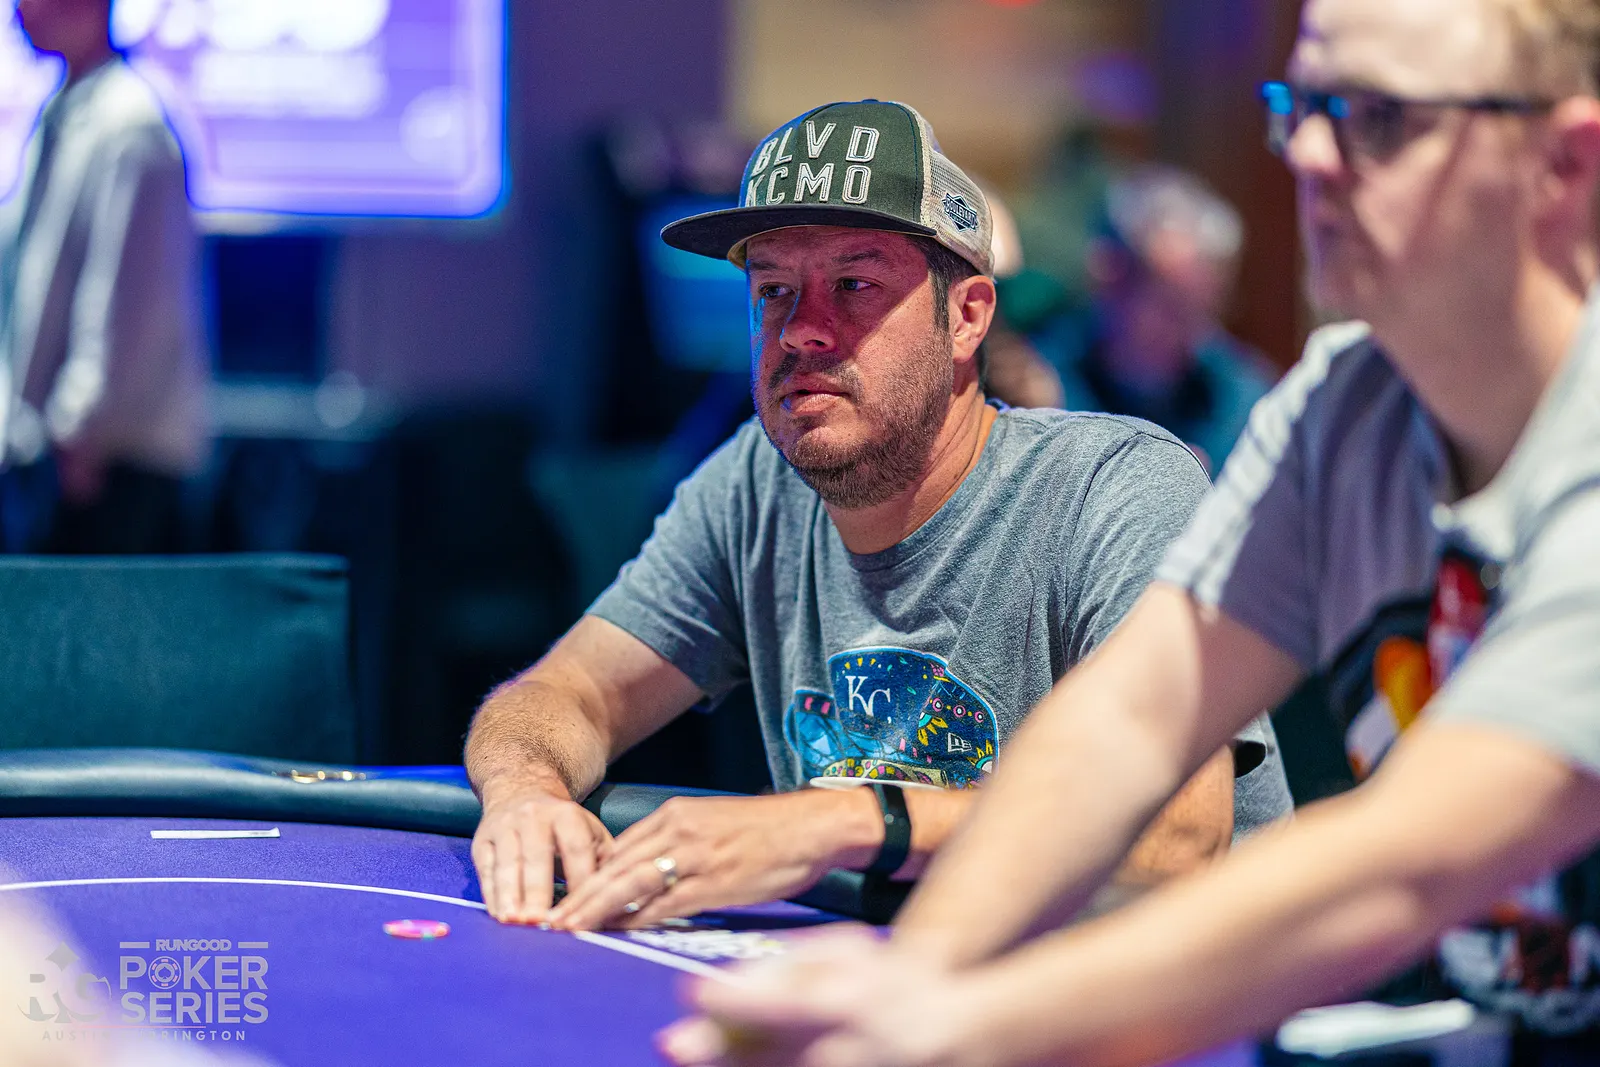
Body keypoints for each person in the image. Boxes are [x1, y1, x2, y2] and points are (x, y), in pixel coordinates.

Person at [659, 0, 1600, 1062]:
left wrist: (960, 1020)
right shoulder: (1340, 410)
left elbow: (1409, 865)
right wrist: (918, 967)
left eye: (1381, 118)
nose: (1311, 157)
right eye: (1305, 108)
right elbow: (1133, 717)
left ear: (1564, 163)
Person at [465, 99, 1292, 933]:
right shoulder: (755, 483)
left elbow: (1175, 833)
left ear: (966, 316)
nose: (802, 331)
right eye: (774, 290)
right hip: (910, 974)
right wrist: (527, 791)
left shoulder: (1118, 486)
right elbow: (566, 693)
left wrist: (841, 822)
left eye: (854, 285)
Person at [0, 0, 208, 554]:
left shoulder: (130, 125)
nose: (16, 10)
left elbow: (129, 303)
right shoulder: (63, 111)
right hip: (55, 450)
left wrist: (79, 427)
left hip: (106, 463)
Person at [1043, 165, 1275, 471]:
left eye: (1205, 310)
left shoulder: (1245, 400)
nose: (1193, 332)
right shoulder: (1039, 381)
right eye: (1172, 308)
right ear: (1110, 278)